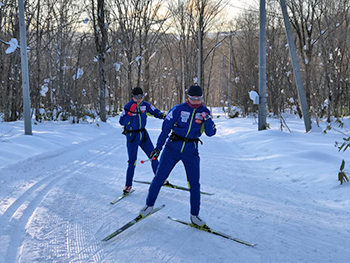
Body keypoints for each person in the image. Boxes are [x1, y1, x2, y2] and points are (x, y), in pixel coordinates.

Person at [139, 85, 216, 227]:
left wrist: (208, 119)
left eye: (199, 99)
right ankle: (148, 206)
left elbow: (211, 133)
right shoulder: (178, 109)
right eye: (193, 99)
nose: (196, 102)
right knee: (159, 178)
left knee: (194, 184)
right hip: (172, 148)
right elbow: (165, 129)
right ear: (188, 97)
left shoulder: (204, 111)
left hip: (191, 151)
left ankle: (195, 216)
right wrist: (158, 148)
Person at [119, 87, 166, 194]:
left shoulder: (145, 105)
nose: (139, 99)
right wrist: (130, 112)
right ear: (133, 96)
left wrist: (162, 115)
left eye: (141, 96)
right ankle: (128, 185)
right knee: (132, 161)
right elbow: (122, 122)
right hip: (132, 136)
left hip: (143, 134)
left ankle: (160, 178)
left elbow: (154, 111)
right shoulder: (128, 106)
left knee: (153, 156)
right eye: (137, 97)